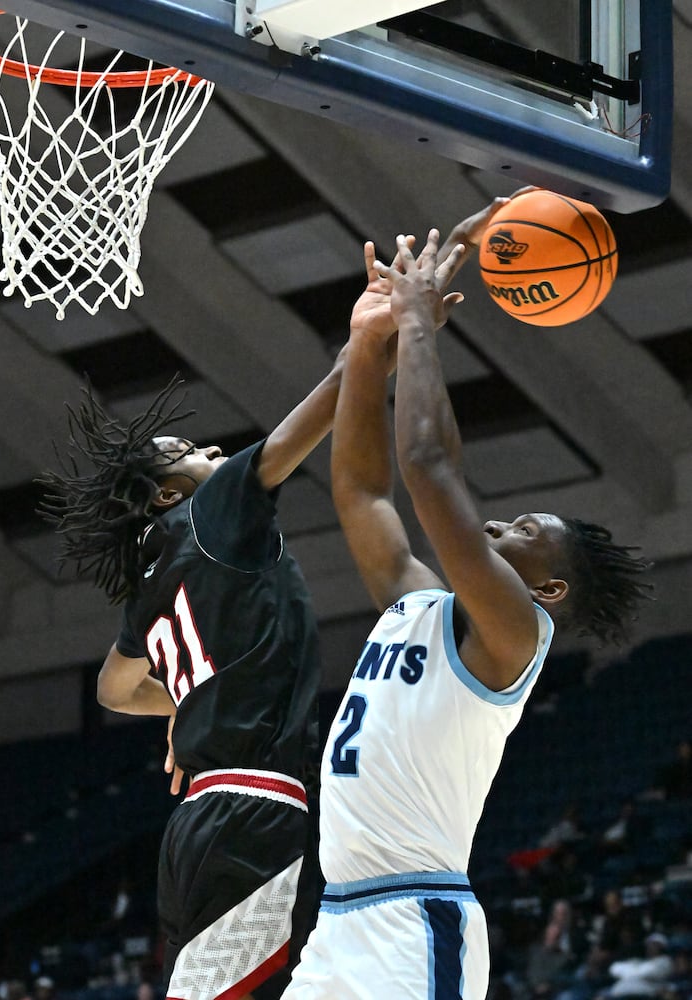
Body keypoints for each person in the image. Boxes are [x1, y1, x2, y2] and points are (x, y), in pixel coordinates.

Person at [282, 218, 652, 1000]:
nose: (495, 525)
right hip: (336, 921)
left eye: (524, 533)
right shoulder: (415, 604)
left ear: (547, 591)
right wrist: (365, 346)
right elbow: (360, 489)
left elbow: (423, 465)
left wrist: (417, 323)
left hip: (414, 924)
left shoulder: (516, 635)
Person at [39, 348, 350, 999]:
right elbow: (307, 423)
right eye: (186, 448)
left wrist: (187, 706)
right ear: (166, 494)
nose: (210, 447)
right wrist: (375, 338)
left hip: (202, 819)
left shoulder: (149, 580)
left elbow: (114, 688)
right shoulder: (209, 517)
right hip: (251, 812)